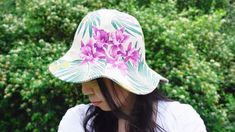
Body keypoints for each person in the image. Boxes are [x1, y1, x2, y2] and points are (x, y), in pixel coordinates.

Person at [49, 9, 207, 132]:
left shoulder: (179, 119)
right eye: (83, 78)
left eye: (95, 78)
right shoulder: (78, 121)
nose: (85, 90)